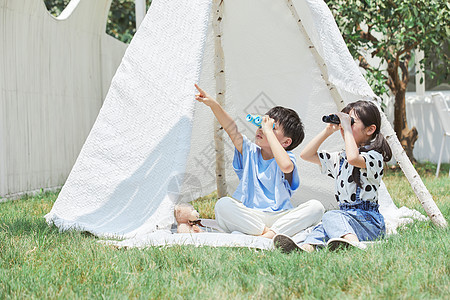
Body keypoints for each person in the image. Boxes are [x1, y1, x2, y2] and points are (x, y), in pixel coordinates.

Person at [194, 84, 325, 239]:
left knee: (316, 207)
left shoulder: (288, 158)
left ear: (286, 142)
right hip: (252, 214)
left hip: (281, 215)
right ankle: (268, 234)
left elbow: (286, 166)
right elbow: (231, 129)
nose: (261, 130)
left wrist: (268, 130)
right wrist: (213, 105)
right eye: (261, 126)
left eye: (272, 128)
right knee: (222, 205)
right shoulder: (249, 152)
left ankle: (263, 234)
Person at [274, 100, 392, 252]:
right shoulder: (340, 159)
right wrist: (328, 131)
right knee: (322, 228)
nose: (345, 128)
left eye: (351, 123)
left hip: (369, 221)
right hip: (346, 219)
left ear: (370, 130)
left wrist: (347, 128)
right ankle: (306, 248)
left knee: (331, 216)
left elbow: (353, 159)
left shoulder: (374, 157)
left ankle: (354, 244)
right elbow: (306, 155)